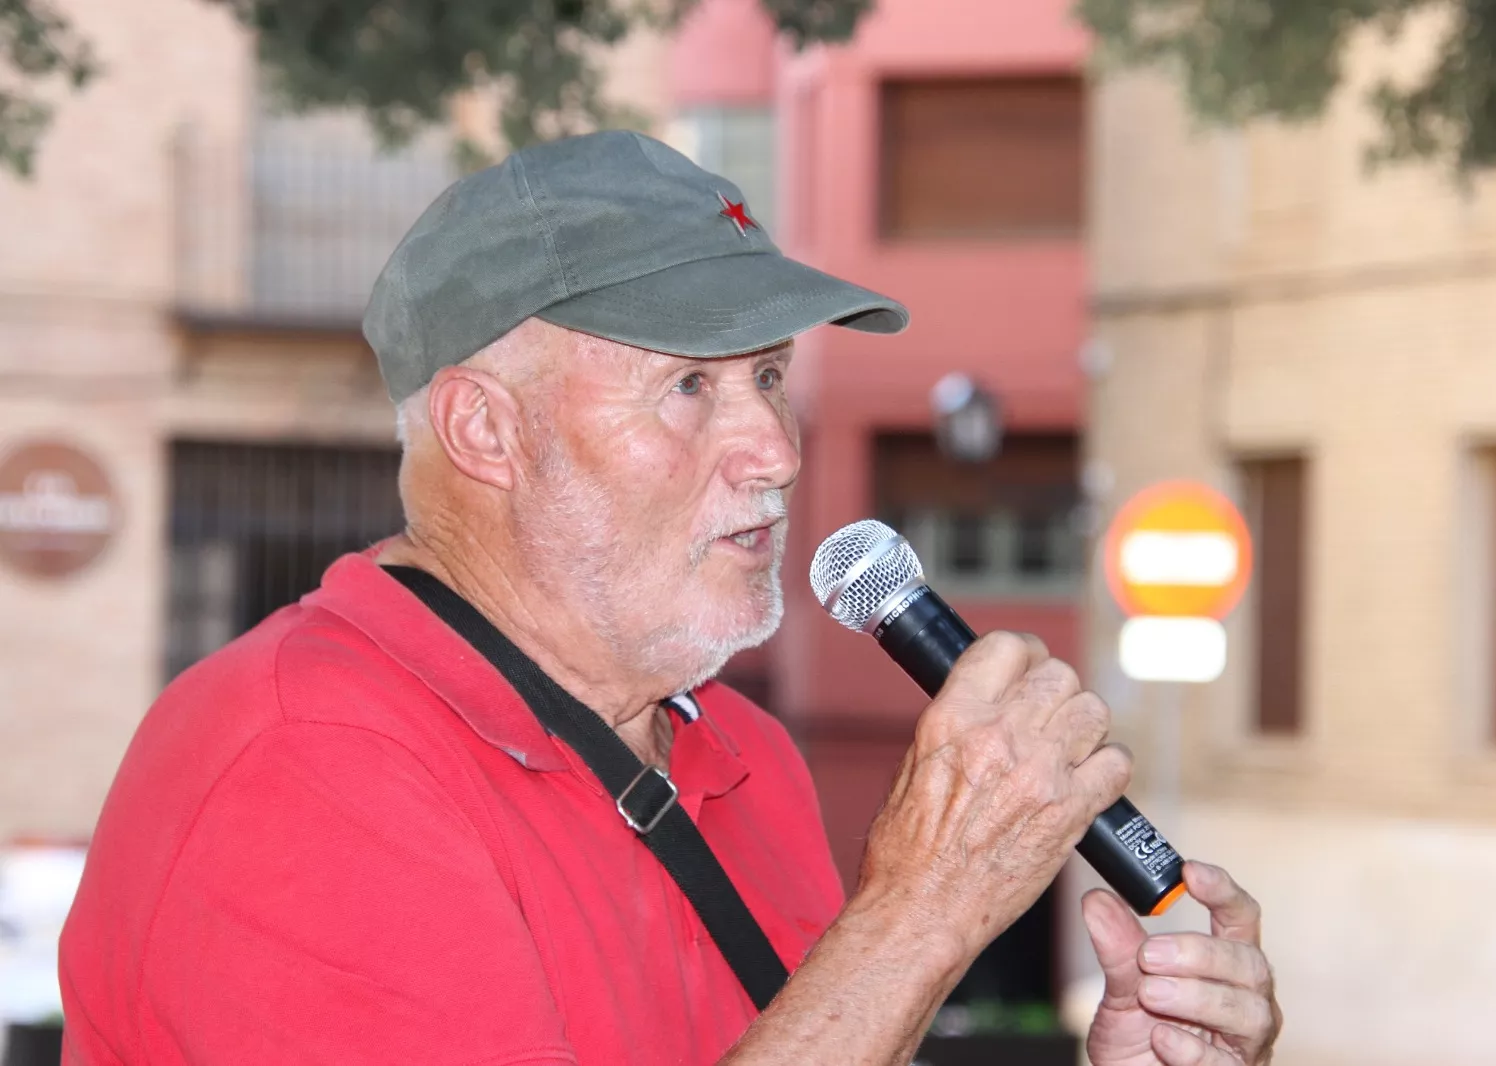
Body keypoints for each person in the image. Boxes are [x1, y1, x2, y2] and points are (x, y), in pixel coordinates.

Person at [59, 131, 1281, 1066]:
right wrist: (923, 911)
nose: (777, 453)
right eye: (689, 386)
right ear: (485, 429)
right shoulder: (303, 762)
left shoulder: (742, 754)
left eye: (769, 376)